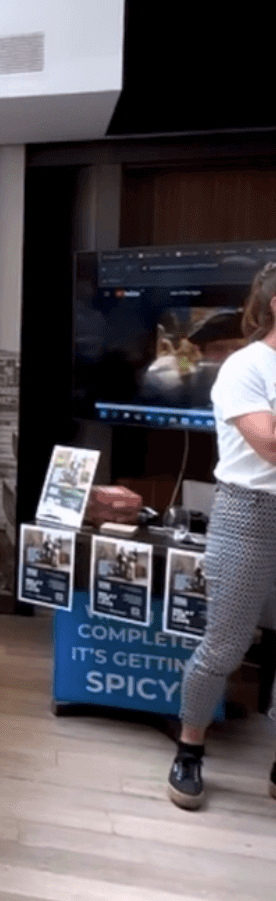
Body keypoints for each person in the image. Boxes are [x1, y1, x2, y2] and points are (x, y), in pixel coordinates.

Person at [167, 264, 276, 810]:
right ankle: (189, 750)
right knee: (224, 647)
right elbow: (271, 444)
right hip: (248, 514)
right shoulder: (245, 366)